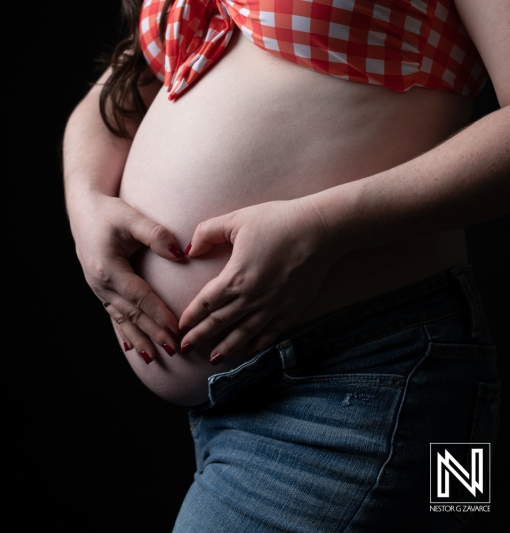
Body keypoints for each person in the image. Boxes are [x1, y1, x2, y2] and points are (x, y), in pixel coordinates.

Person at [62, 0, 508, 530]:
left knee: (451, 507)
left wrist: (323, 226)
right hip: (246, 405)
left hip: (374, 385)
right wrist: (84, 199)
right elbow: (124, 81)